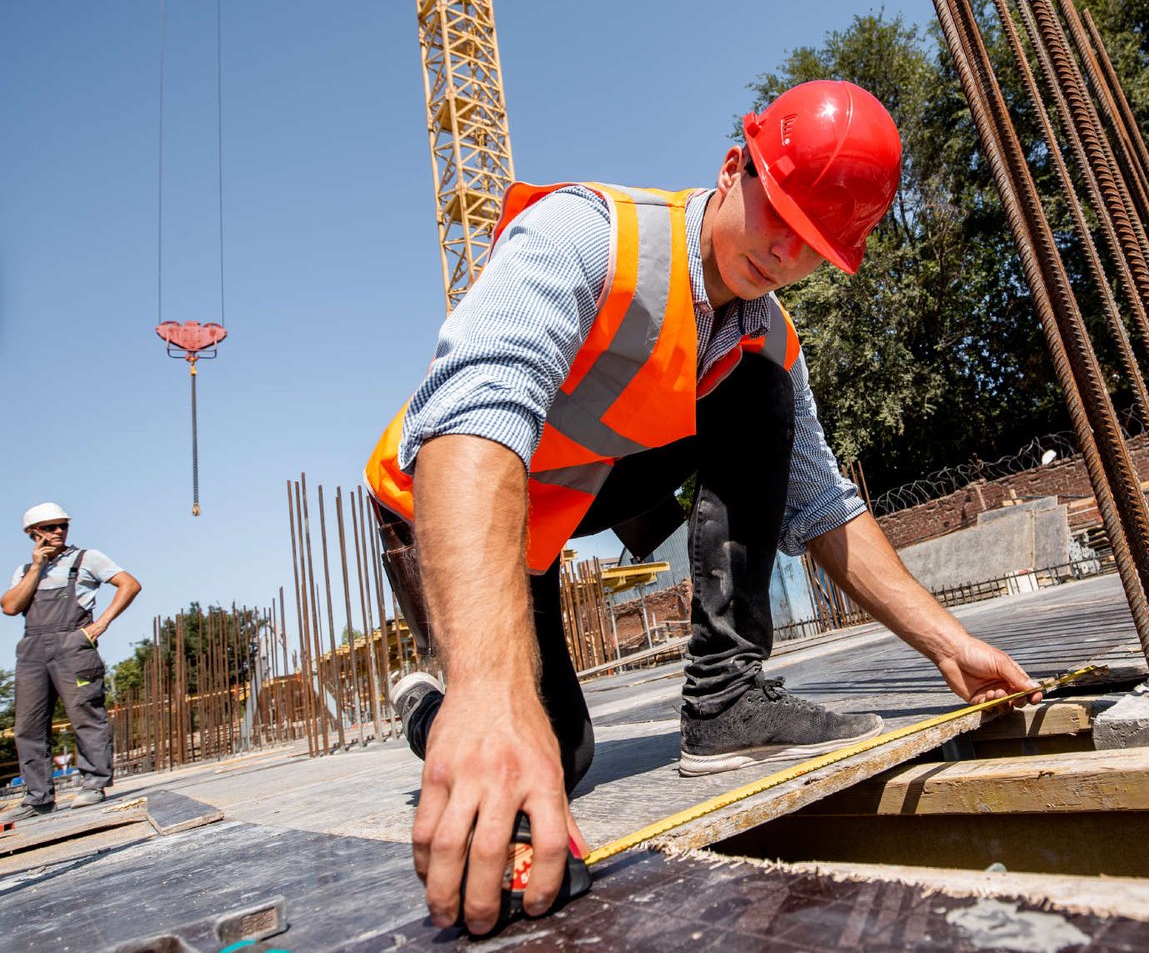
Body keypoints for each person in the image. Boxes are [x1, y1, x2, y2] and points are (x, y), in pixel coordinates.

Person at [365, 80, 1042, 934]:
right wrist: (489, 694)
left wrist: (954, 644)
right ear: (734, 166)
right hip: (442, 501)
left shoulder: (766, 330)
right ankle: (433, 701)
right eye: (780, 214)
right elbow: (475, 412)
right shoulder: (588, 235)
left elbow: (824, 502)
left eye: (814, 246)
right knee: (556, 756)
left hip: (558, 500)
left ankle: (726, 699)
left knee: (760, 389)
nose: (786, 253)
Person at [1, 503, 141, 819]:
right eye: (50, 527)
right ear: (32, 533)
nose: (59, 531)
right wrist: (37, 567)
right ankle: (38, 798)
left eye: (62, 525)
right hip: (33, 649)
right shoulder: (24, 572)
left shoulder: (86, 559)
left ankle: (93, 784)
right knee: (27, 725)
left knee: (84, 713)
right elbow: (10, 607)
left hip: (74, 645)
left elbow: (129, 584)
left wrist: (100, 624)